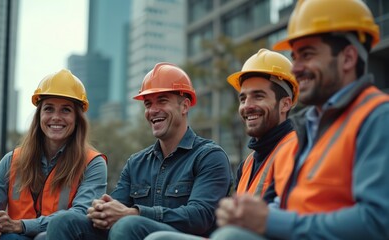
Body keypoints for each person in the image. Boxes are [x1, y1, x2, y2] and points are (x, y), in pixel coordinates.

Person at [207, 0, 389, 239]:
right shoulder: (310, 129)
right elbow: (289, 204)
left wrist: (270, 221)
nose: (296, 68)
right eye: (295, 56)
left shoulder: (378, 117)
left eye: (307, 55)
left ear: (348, 58)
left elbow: (376, 222)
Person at [45, 62, 233, 240]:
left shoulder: (209, 156)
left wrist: (134, 213)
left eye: (162, 101)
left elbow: (199, 217)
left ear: (184, 106)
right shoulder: (136, 163)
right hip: (131, 231)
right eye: (148, 104)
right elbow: (116, 208)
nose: (153, 110)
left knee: (127, 225)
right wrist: (102, 210)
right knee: (62, 221)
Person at [145, 49, 299, 240]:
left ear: (285, 104)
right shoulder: (249, 163)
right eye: (243, 98)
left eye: (258, 96)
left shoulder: (295, 150)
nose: (247, 106)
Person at [0, 69, 108, 240]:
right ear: (39, 115)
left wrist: (20, 225)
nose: (56, 117)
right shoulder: (12, 160)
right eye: (49, 109)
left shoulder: (93, 163)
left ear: (77, 118)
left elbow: (78, 217)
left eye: (66, 110)